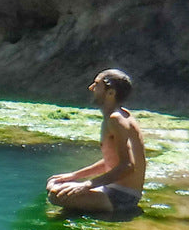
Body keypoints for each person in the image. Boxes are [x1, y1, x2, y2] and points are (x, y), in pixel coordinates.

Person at [46, 69, 146, 215]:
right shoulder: (119, 115)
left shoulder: (116, 119)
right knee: (55, 182)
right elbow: (111, 161)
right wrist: (74, 176)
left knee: (55, 195)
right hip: (115, 190)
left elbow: (128, 166)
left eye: (97, 84)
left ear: (110, 93)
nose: (91, 87)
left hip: (123, 197)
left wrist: (87, 185)